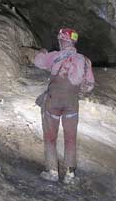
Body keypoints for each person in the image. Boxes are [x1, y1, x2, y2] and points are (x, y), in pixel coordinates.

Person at [34, 28, 94, 184]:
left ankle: (52, 171)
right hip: (71, 104)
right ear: (74, 42)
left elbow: (38, 61)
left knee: (50, 137)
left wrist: (42, 52)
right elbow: (89, 86)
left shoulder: (54, 56)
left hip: (53, 101)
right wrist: (76, 89)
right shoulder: (85, 61)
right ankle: (70, 174)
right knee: (70, 139)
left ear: (62, 40)